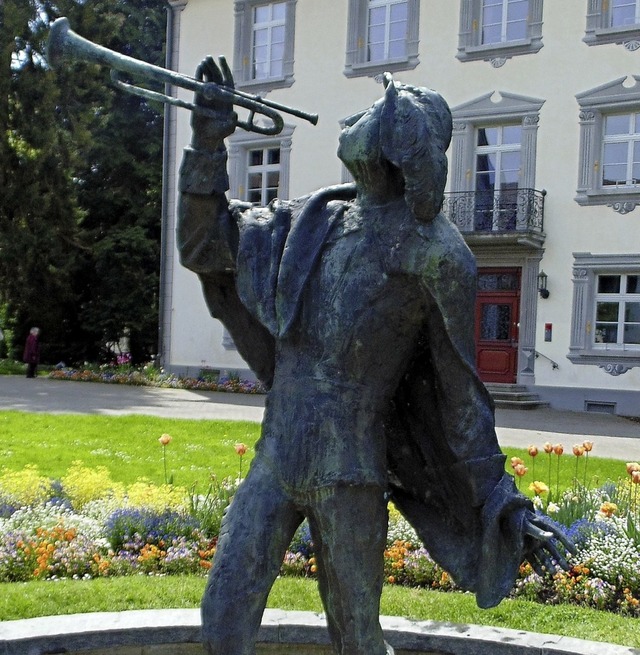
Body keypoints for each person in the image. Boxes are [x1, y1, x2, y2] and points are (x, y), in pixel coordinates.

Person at [177, 58, 571, 655]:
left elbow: (463, 396)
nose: (353, 119)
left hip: (351, 474)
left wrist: (501, 501)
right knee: (223, 612)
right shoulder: (315, 219)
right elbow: (204, 244)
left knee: (358, 637)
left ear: (391, 145)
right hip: (277, 457)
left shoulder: (435, 253)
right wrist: (207, 145)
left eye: (371, 114)